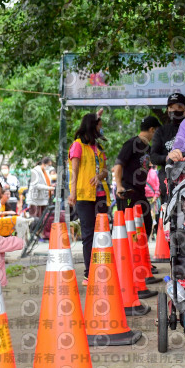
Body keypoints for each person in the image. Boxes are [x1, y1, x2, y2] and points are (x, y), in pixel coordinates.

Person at [67, 112, 111, 286]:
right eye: (99, 125)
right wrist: (72, 193)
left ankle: (102, 267)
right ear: (92, 126)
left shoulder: (99, 148)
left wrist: (100, 176)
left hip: (100, 195)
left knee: (102, 234)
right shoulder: (77, 146)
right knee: (88, 234)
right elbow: (74, 172)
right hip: (84, 196)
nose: (101, 128)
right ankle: (88, 273)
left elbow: (106, 171)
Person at [114, 115, 161, 237]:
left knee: (147, 223)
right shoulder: (131, 144)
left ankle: (139, 253)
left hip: (140, 193)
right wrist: (119, 186)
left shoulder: (148, 148)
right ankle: (127, 254)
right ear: (152, 130)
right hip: (127, 191)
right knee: (128, 227)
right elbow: (118, 165)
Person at [150, 93, 185, 202]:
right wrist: (167, 158)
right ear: (167, 110)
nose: (175, 110)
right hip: (168, 175)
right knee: (169, 204)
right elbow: (153, 157)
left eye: (179, 107)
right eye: (171, 107)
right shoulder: (161, 131)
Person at [145, 165, 161, 234]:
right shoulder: (140, 172)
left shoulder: (153, 173)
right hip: (144, 199)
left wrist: (155, 196)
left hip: (152, 198)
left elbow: (157, 185)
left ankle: (156, 233)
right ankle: (149, 234)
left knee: (155, 217)